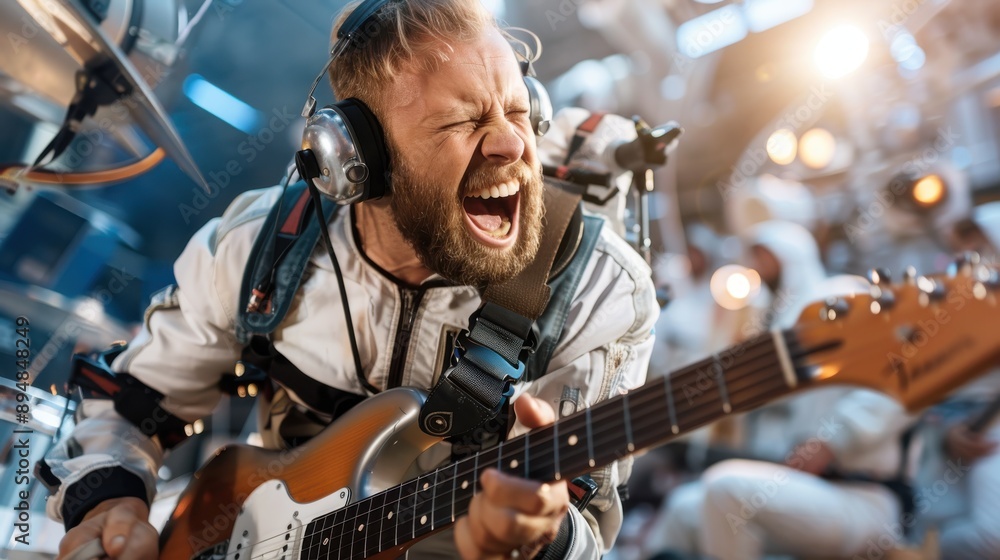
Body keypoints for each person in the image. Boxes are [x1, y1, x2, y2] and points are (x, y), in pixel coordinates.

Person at [37, 1, 659, 558]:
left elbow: (589, 530)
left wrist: (542, 538)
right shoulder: (259, 243)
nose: (510, 144)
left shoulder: (599, 292)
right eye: (460, 121)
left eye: (519, 112)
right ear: (355, 160)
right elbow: (132, 405)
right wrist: (109, 502)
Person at [643, 221, 916, 560]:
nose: (757, 267)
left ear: (792, 258)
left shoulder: (842, 296)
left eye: (765, 256)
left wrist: (833, 441)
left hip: (863, 495)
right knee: (682, 507)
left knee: (726, 487)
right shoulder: (771, 318)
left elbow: (904, 384)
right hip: (803, 490)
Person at [912, 202, 1000, 559]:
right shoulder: (944, 318)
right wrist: (946, 433)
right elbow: (922, 398)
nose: (969, 260)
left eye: (980, 248)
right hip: (958, 458)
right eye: (963, 252)